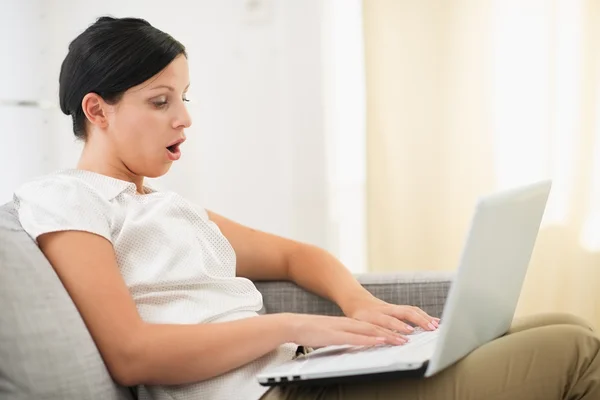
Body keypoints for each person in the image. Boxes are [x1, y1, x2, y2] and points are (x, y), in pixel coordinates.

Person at [13, 16, 600, 400]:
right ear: (97, 110)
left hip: (302, 371)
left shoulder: (164, 205)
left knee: (566, 324)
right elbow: (131, 354)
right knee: (574, 350)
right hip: (267, 392)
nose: (184, 118)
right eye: (160, 101)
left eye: (184, 99)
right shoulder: (66, 199)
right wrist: (294, 326)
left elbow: (297, 256)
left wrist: (361, 304)